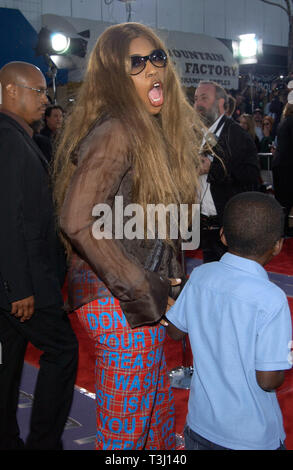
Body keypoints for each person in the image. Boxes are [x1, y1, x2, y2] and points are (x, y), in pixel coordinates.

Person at [53, 22, 202, 450]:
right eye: (136, 63)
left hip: (133, 300)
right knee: (126, 435)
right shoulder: (118, 128)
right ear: (114, 74)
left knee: (155, 420)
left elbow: (148, 227)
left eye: (157, 58)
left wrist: (164, 289)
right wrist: (140, 286)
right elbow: (76, 220)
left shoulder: (145, 129)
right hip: (118, 302)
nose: (152, 68)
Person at [165, 192, 292, 450]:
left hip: (200, 426)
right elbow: (269, 379)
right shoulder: (272, 299)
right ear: (277, 245)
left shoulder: (200, 275)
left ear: (222, 235)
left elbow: (176, 331)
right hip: (251, 436)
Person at [0, 61, 78, 450]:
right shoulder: (9, 139)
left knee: (8, 363)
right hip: (25, 283)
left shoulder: (18, 136)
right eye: (38, 91)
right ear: (11, 90)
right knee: (63, 351)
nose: (46, 100)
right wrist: (17, 287)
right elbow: (6, 218)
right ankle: (45, 442)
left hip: (21, 280)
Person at [193, 81, 260, 262]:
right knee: (212, 276)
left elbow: (251, 176)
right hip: (205, 224)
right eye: (196, 99)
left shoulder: (238, 135)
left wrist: (211, 168)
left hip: (230, 225)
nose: (198, 103)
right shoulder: (193, 134)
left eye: (204, 98)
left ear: (221, 103)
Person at [272, 103, 293, 236]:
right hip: (288, 167)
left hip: (280, 165)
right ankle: (284, 230)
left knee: (282, 201)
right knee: (287, 200)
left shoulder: (283, 122)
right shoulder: (290, 123)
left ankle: (282, 229)